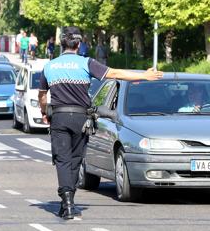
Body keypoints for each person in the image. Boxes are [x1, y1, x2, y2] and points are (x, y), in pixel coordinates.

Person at [38, 26, 163, 220]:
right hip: (81, 118)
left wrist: (45, 111)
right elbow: (114, 73)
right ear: (79, 45)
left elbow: (43, 94)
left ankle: (67, 202)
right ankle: (69, 200)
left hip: (59, 118)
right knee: (75, 159)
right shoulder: (86, 63)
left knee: (62, 160)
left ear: (62, 44)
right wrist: (144, 76)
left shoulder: (49, 66)